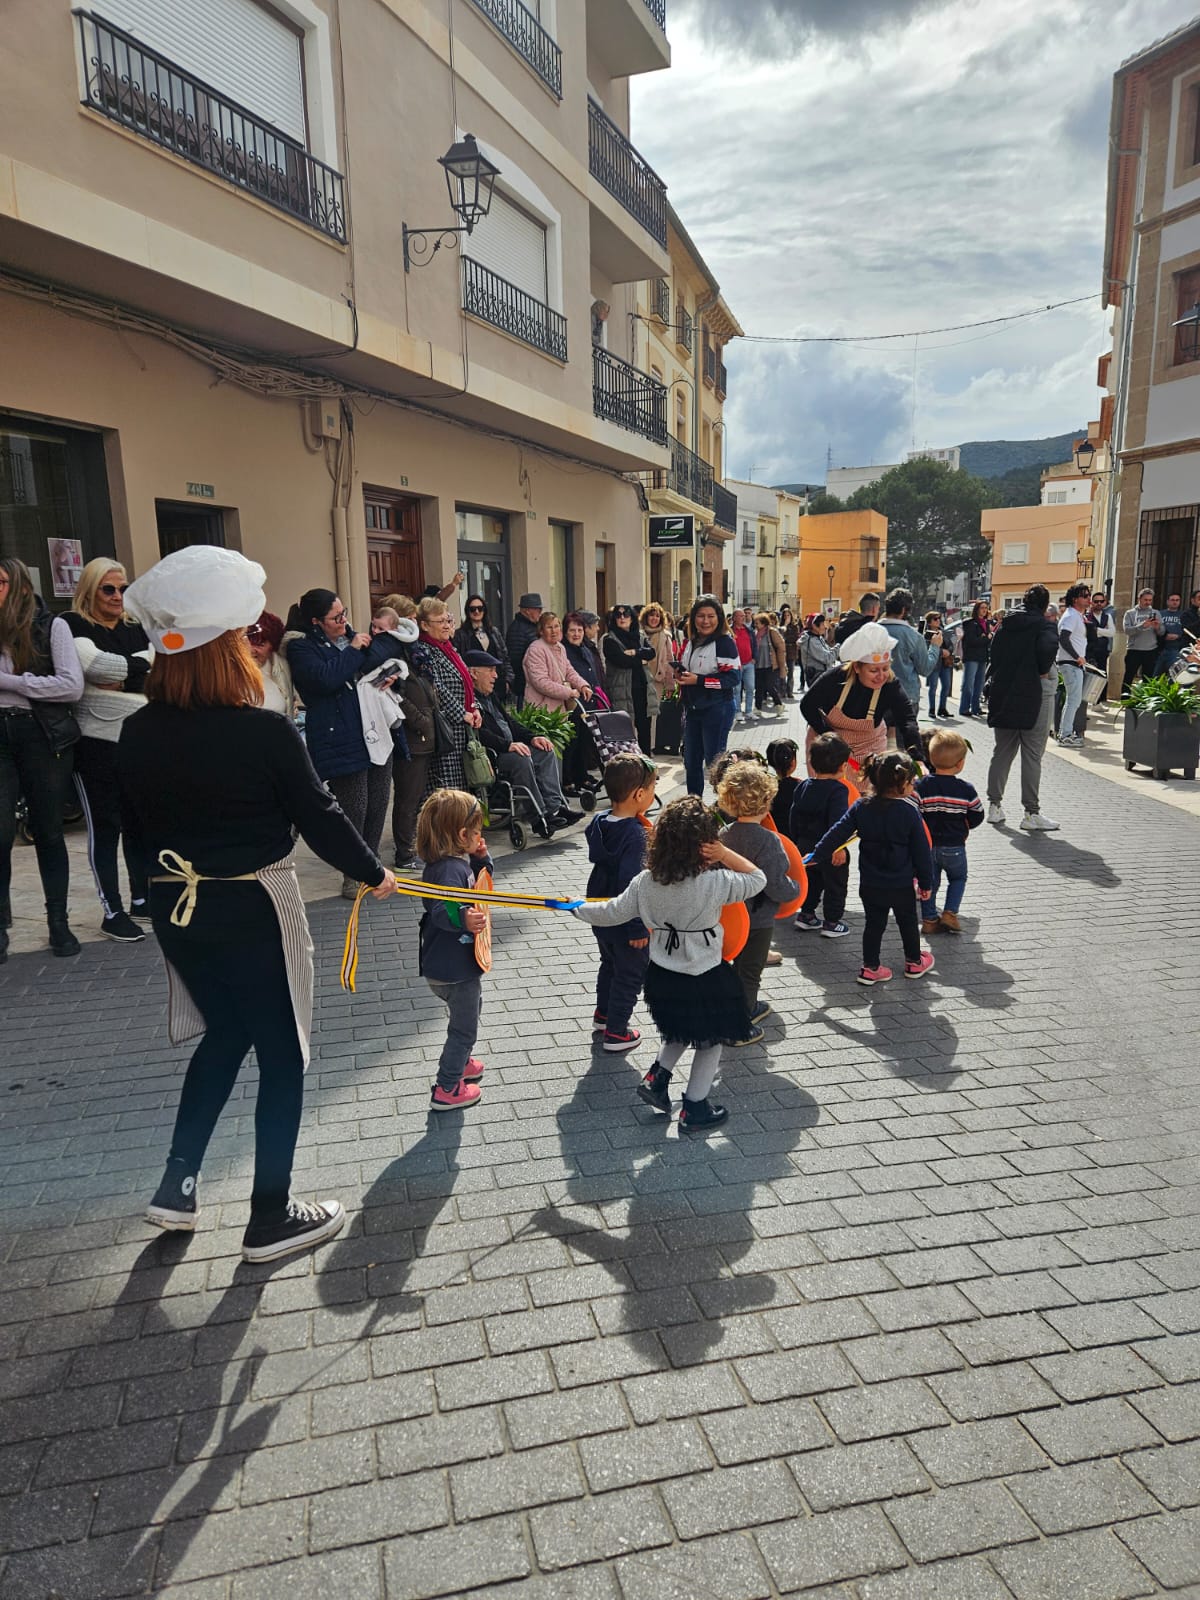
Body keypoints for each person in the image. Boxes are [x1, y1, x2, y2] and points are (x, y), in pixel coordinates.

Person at [119, 546, 395, 1261]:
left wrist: (156, 897)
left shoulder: (138, 729)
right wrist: (374, 872)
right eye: (242, 635)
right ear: (223, 648)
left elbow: (134, 833)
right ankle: (270, 1217)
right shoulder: (262, 730)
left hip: (178, 909)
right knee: (281, 1056)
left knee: (226, 1035)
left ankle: (176, 1186)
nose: (251, 645)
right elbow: (321, 813)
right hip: (254, 910)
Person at [572, 796, 765, 1130]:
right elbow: (757, 878)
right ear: (705, 846)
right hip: (706, 976)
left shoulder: (645, 883)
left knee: (678, 1028)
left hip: (663, 975)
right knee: (711, 1040)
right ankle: (695, 1106)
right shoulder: (715, 883)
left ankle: (657, 1079)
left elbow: (610, 912)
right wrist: (725, 855)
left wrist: (574, 907)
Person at [285, 587, 402, 895]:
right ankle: (353, 872)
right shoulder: (302, 648)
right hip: (339, 736)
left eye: (344, 613)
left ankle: (372, 865)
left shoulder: (354, 637)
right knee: (354, 806)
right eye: (336, 617)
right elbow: (324, 680)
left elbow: (373, 665)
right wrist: (352, 650)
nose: (343, 620)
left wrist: (389, 678)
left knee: (378, 801)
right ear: (315, 622)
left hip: (374, 729)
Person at [0, 557, 85, 961]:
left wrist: (12, 682)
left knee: (49, 831)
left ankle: (58, 922)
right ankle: (1, 927)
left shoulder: (52, 626)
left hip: (40, 734)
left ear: (17, 585)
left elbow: (70, 686)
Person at [65, 557, 152, 942]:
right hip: (95, 745)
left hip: (137, 742)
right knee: (105, 829)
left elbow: (161, 663)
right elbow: (99, 667)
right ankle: (111, 909)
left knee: (139, 824)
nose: (118, 596)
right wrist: (137, 670)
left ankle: (142, 900)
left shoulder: (136, 627)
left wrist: (123, 672)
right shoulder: (71, 625)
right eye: (109, 589)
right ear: (90, 589)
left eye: (124, 589)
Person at [808, 751, 934, 985]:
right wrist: (926, 883)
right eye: (911, 781)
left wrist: (817, 854)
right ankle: (914, 962)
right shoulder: (908, 812)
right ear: (901, 784)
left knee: (874, 924)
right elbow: (922, 852)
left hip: (871, 883)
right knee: (907, 922)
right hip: (901, 883)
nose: (914, 785)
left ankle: (870, 968)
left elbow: (837, 832)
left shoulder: (862, 805)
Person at [415, 789, 492, 1112]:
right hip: (454, 969)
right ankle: (447, 1086)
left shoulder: (451, 865)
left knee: (471, 1010)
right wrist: (463, 917)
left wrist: (481, 859)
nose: (480, 836)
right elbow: (443, 910)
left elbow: (481, 888)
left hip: (449, 965)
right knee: (463, 1029)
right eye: (476, 832)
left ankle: (460, 1062)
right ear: (462, 835)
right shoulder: (448, 871)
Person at [716, 761, 800, 1047]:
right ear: (767, 801)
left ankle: (739, 1009)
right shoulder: (769, 841)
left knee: (730, 967)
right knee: (750, 971)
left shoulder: (722, 835)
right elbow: (777, 886)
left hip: (726, 917)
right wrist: (796, 889)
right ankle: (737, 1025)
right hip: (758, 920)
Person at [585, 752, 656, 1054]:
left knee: (609, 963)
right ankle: (617, 1031)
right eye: (653, 789)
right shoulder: (635, 835)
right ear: (639, 794)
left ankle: (603, 1014)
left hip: (600, 910)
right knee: (630, 973)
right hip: (627, 918)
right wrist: (638, 926)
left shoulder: (600, 822)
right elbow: (632, 883)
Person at [467, 650, 578, 836]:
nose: (496, 675)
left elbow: (510, 723)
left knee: (545, 751)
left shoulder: (490, 696)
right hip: (493, 755)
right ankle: (539, 818)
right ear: (474, 673)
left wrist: (533, 737)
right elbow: (480, 733)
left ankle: (555, 808)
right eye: (491, 670)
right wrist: (507, 745)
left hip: (510, 748)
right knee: (521, 759)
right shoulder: (470, 699)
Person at [800, 622, 923, 775]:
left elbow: (907, 719)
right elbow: (807, 705)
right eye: (873, 670)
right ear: (857, 667)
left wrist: (917, 757)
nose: (881, 676)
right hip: (830, 749)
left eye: (885, 668)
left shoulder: (890, 684)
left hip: (869, 748)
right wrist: (828, 734)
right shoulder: (835, 678)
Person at [984, 583, 1059, 832]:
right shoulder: (1044, 625)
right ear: (1045, 604)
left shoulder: (1006, 623)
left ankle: (994, 806)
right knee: (1032, 753)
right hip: (1035, 693)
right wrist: (1040, 670)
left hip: (1004, 692)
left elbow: (993, 655)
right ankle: (1031, 812)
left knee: (1002, 752)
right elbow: (1047, 651)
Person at [368, 608, 433, 871]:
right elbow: (391, 697)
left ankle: (409, 849)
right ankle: (404, 855)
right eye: (374, 627)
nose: (375, 633)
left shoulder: (414, 655)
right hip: (407, 736)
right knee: (406, 800)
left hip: (421, 735)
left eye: (381, 629)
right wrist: (420, 720)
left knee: (414, 798)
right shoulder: (384, 659)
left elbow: (425, 693)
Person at [412, 596, 482, 796]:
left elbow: (466, 682)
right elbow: (436, 687)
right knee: (448, 792)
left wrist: (475, 708)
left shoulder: (450, 649)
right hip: (446, 730)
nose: (446, 625)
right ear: (424, 625)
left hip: (464, 729)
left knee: (464, 790)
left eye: (448, 620)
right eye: (440, 621)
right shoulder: (424, 651)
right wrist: (462, 713)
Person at [916, 729, 983, 934]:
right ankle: (950, 913)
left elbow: (913, 811)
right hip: (955, 845)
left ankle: (928, 920)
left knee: (929, 883)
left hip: (927, 846)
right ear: (960, 764)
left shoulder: (921, 786)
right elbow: (977, 814)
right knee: (958, 878)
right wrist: (964, 826)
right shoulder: (966, 789)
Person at [790, 732, 853, 938]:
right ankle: (832, 922)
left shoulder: (803, 786)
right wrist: (839, 847)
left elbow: (793, 816)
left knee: (811, 881)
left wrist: (797, 841)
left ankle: (806, 915)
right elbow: (839, 823)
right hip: (831, 849)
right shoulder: (838, 790)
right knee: (835, 885)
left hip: (806, 845)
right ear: (843, 766)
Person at [677, 595, 739, 796]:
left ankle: (726, 808)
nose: (706, 621)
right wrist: (681, 674)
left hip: (717, 709)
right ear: (693, 618)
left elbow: (732, 677)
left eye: (711, 616)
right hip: (693, 709)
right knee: (691, 761)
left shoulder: (724, 642)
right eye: (701, 616)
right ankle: (693, 807)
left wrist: (699, 680)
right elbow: (692, 670)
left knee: (715, 762)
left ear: (719, 618)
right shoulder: (691, 640)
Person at [602, 604, 656, 751]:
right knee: (624, 731)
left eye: (626, 615)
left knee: (644, 728)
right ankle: (628, 766)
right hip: (622, 691)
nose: (622, 618)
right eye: (618, 616)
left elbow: (651, 653)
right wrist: (641, 659)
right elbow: (621, 661)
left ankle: (646, 765)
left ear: (632, 618)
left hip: (643, 688)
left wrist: (634, 652)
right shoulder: (609, 639)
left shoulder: (640, 635)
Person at [562, 612, 603, 795]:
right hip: (571, 703)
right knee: (572, 742)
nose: (576, 634)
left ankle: (581, 776)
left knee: (584, 742)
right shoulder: (564, 651)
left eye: (579, 630)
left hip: (588, 700)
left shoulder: (585, 648)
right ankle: (568, 780)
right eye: (572, 630)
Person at [880, 588, 941, 710]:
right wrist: (935, 647)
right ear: (904, 610)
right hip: (906, 695)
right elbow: (925, 669)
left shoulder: (871, 631)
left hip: (876, 695)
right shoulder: (914, 636)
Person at [1055, 582, 1092, 749]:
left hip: (1072, 662)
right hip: (1071, 663)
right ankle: (1065, 735)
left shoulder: (1075, 615)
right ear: (1075, 599)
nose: (1088, 599)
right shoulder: (1071, 616)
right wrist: (1077, 657)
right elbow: (1063, 638)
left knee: (1074, 700)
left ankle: (1065, 733)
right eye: (1085, 596)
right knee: (1073, 700)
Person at [453, 595, 512, 697]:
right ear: (467, 611)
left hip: (498, 682)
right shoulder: (460, 635)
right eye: (472, 609)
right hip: (475, 685)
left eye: (480, 608)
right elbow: (458, 660)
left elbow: (505, 657)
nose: (476, 612)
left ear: (485, 611)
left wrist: (508, 681)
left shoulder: (494, 632)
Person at [245, 610, 294, 718]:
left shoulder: (283, 666)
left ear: (273, 644)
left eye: (260, 644)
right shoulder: (230, 674)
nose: (252, 650)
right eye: (248, 643)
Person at [506, 592, 544, 703]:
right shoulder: (518, 629)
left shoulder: (533, 627)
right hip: (524, 685)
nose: (540, 613)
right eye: (538, 610)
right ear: (527, 611)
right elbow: (515, 659)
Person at [1122, 589, 1163, 691]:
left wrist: (1157, 627)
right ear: (1139, 599)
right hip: (1134, 649)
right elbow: (1127, 631)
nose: (1147, 602)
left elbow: (1162, 632)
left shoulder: (1156, 613)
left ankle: (1146, 703)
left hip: (1150, 650)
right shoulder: (1130, 613)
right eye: (1145, 600)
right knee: (1128, 677)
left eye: (1150, 600)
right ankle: (1125, 701)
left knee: (1148, 678)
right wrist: (1142, 626)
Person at [958, 601, 992, 717]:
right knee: (968, 683)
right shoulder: (969, 623)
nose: (984, 610)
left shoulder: (986, 623)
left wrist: (984, 638)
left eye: (986, 608)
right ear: (977, 609)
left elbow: (985, 640)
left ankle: (976, 708)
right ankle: (964, 708)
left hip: (982, 657)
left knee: (979, 683)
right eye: (982, 608)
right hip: (972, 656)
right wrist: (985, 638)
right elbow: (972, 641)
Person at [752, 612, 787, 712]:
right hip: (758, 665)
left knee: (769, 686)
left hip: (771, 664)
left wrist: (781, 664)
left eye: (757, 623)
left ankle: (779, 704)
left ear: (763, 623)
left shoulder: (772, 632)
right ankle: (757, 708)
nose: (755, 625)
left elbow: (781, 647)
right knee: (758, 687)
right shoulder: (755, 634)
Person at [1084, 591, 1116, 699]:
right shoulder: (1086, 616)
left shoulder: (1107, 616)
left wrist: (1096, 630)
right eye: (1096, 601)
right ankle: (1088, 701)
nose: (1099, 603)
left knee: (1102, 675)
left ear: (1105, 602)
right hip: (1090, 650)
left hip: (1102, 649)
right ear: (1091, 602)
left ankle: (1099, 701)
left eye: (1101, 601)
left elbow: (1112, 632)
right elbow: (1086, 633)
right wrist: (1103, 631)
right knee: (1090, 675)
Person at [766, 738, 800, 835]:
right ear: (793, 762)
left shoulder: (765, 787)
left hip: (773, 835)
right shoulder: (802, 786)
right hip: (796, 838)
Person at [924, 611, 954, 719]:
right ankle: (932, 710)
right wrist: (942, 652)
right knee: (933, 687)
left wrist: (949, 651)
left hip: (945, 664)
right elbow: (927, 647)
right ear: (930, 622)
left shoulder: (942, 631)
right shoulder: (927, 633)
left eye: (939, 619)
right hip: (934, 663)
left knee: (946, 686)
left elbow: (950, 644)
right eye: (935, 619)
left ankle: (942, 708)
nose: (938, 621)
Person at [729, 607, 755, 722]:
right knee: (737, 689)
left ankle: (749, 711)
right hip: (736, 664)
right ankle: (738, 711)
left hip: (749, 663)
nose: (743, 618)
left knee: (750, 687)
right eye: (740, 616)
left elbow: (754, 644)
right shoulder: (730, 631)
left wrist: (754, 657)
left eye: (744, 616)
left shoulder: (748, 630)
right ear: (734, 618)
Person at [799, 613, 837, 688]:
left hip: (821, 677)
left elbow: (829, 652)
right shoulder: (812, 641)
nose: (825, 627)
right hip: (817, 678)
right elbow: (827, 658)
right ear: (814, 626)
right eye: (822, 624)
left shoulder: (818, 638)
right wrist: (839, 646)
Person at [1159, 593, 1185, 672]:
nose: (1175, 602)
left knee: (1172, 674)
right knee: (1155, 675)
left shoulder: (1183, 615)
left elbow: (1186, 630)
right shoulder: (1160, 614)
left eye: (1177, 600)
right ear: (1168, 601)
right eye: (1172, 600)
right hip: (1160, 648)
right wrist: (1164, 636)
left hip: (1176, 648)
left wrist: (1178, 636)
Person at [778, 605, 800, 698]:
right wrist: (785, 627)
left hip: (791, 652)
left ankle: (789, 691)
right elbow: (781, 638)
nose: (787, 617)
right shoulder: (780, 627)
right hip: (782, 652)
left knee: (790, 672)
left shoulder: (795, 627)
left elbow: (794, 637)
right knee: (782, 672)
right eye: (785, 615)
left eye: (788, 615)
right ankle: (782, 691)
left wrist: (787, 635)